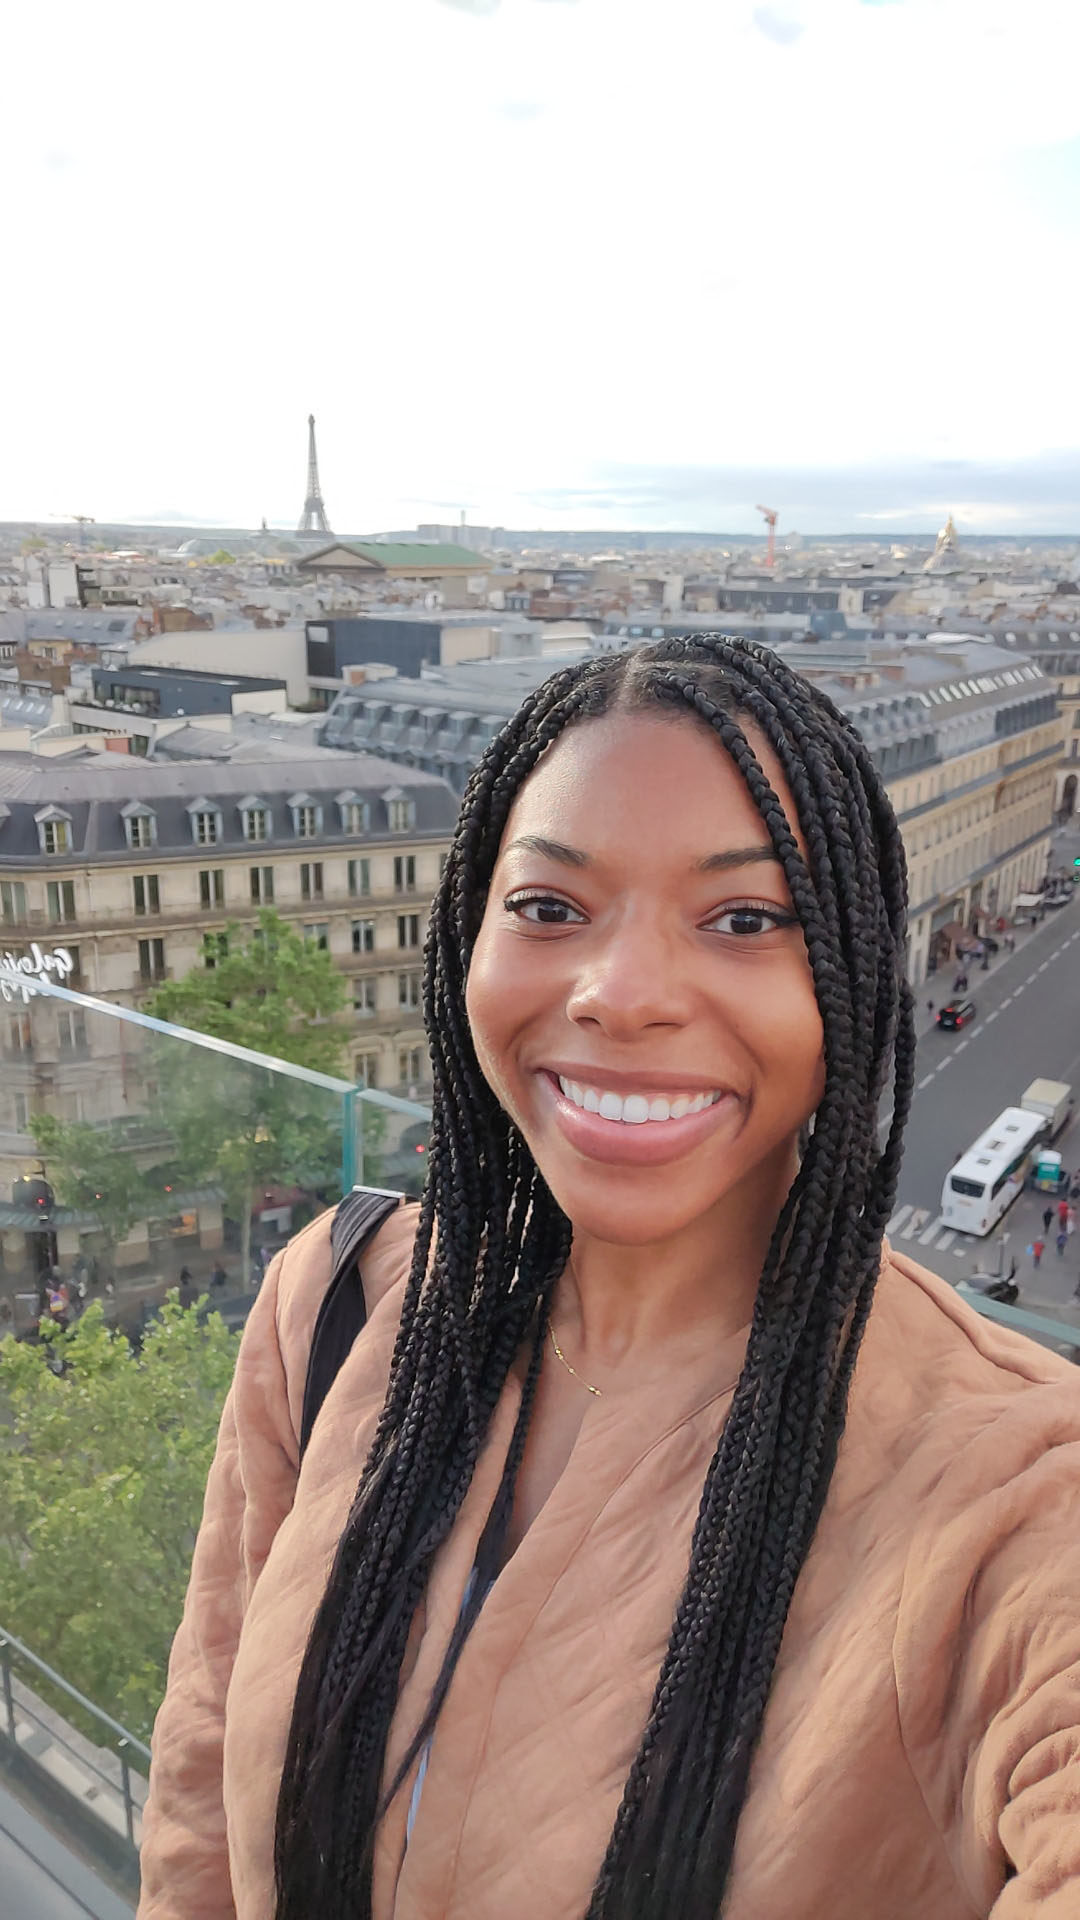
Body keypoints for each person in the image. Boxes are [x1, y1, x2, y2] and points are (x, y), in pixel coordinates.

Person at [139, 637, 1080, 1920]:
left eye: (744, 919)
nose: (621, 994)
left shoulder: (1023, 1494)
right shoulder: (340, 1302)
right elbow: (197, 1808)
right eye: (550, 907)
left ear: (853, 972)